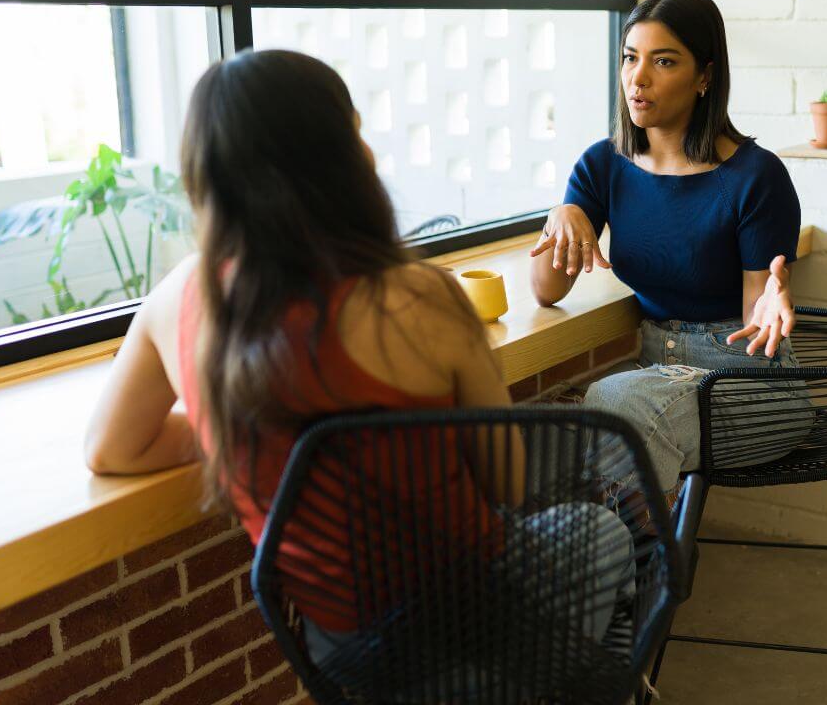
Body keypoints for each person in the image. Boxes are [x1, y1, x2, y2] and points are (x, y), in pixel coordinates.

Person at [82, 49, 634, 689]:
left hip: (349, 657)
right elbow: (506, 486)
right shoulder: (421, 297)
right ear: (346, 159)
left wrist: (238, 421)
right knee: (604, 532)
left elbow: (110, 448)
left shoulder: (173, 303)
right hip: (483, 618)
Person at [530, 0, 814, 502]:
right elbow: (547, 291)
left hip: (749, 385)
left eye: (663, 61)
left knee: (618, 401)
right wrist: (562, 216)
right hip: (658, 374)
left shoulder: (755, 176)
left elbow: (755, 328)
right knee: (548, 422)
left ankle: (639, 570)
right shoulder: (603, 165)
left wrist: (773, 295)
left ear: (704, 76)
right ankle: (621, 561)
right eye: (630, 58)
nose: (638, 78)